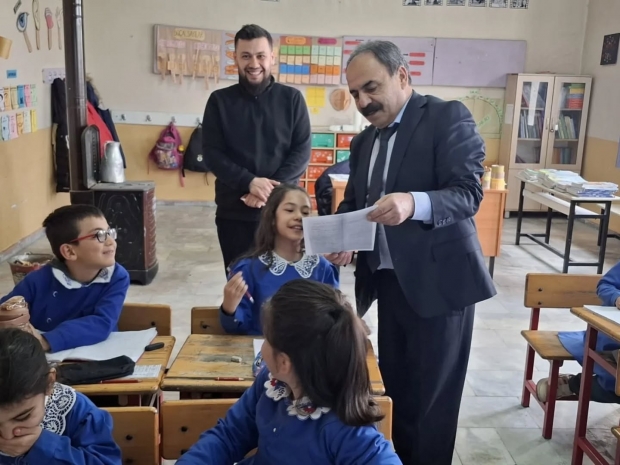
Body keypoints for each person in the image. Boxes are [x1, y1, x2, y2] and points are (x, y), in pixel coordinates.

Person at [325, 41, 496, 465]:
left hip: (441, 285)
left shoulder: (445, 117)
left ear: (402, 76)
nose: (363, 102)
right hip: (388, 282)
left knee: (431, 404)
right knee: (395, 390)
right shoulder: (364, 142)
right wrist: (342, 237)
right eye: (355, 93)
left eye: (371, 88)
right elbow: (356, 204)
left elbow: (467, 193)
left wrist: (413, 203)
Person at [177, 280, 401, 465]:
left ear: (284, 362)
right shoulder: (271, 383)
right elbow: (229, 436)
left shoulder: (346, 428)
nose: (262, 347)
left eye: (266, 339)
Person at [202, 24, 312, 274]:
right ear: (235, 58)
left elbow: (301, 152)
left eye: (261, 55)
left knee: (284, 285)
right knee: (240, 283)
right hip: (234, 213)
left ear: (272, 57)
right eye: (246, 56)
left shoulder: (292, 100)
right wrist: (249, 182)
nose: (254, 63)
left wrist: (268, 192)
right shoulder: (219, 101)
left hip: (283, 213)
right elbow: (212, 154)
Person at [0, 205, 129, 353]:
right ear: (69, 251)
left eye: (109, 232)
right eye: (98, 235)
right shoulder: (37, 280)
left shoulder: (117, 278)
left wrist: (46, 341)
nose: (111, 241)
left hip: (98, 354)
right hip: (41, 358)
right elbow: (6, 310)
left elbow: (102, 322)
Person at [221, 184, 338, 335]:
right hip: (263, 348)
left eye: (305, 212)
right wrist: (229, 308)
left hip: (311, 349)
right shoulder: (248, 269)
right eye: (289, 210)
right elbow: (236, 329)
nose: (299, 217)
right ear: (272, 218)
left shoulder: (323, 268)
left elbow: (334, 320)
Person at [0, 328, 121, 464]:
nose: (7, 437)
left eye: (23, 417)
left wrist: (43, 446)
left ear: (49, 383)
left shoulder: (79, 413)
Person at [536, 262, 620, 403]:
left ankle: (574, 384)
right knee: (614, 384)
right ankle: (575, 384)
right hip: (610, 338)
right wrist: (616, 298)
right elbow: (605, 285)